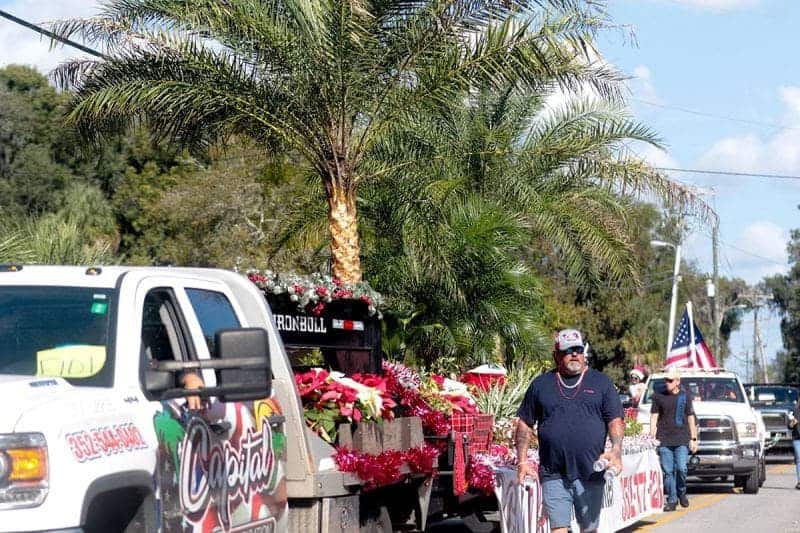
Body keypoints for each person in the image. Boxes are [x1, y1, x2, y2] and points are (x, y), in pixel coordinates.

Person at [516, 328, 624, 533]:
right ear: (556, 355)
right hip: (553, 471)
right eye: (568, 350)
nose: (574, 354)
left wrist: (616, 451)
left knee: (589, 529)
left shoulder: (601, 383)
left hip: (591, 471)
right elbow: (524, 424)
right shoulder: (541, 385)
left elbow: (615, 420)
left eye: (578, 349)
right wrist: (522, 461)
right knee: (558, 527)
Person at [649, 366, 698, 511]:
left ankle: (681, 492)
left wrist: (693, 438)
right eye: (666, 380)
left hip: (682, 437)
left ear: (677, 381)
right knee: (668, 471)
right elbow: (654, 417)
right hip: (664, 438)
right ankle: (672, 499)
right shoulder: (658, 396)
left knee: (682, 468)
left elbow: (690, 417)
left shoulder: (685, 396)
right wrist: (651, 435)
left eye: (670, 380)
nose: (667, 383)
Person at [789, 396, 800, 490]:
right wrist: (792, 423)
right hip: (797, 438)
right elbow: (789, 425)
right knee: (799, 459)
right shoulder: (795, 411)